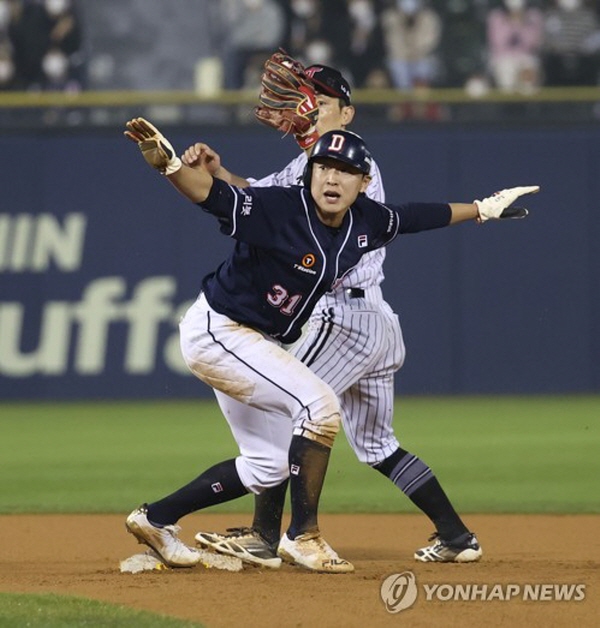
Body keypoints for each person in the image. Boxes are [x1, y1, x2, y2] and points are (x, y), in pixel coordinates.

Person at [123, 115, 539, 573]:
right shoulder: (279, 209)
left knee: (269, 465)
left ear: (364, 183)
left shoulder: (367, 220)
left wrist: (481, 209)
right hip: (221, 331)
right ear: (310, 173)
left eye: (344, 170)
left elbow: (417, 216)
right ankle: (303, 536)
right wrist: (169, 168)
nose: (331, 177)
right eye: (323, 167)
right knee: (319, 406)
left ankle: (156, 519)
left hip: (253, 340)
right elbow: (212, 196)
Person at [188, 63, 485, 568]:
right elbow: (259, 200)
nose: (308, 106)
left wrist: (478, 208)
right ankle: (456, 536)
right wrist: (219, 175)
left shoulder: (346, 162)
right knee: (378, 445)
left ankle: (271, 535)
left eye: (321, 101)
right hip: (376, 322)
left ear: (346, 114)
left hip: (342, 320)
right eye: (307, 97)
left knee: (292, 414)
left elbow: (375, 206)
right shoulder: (310, 165)